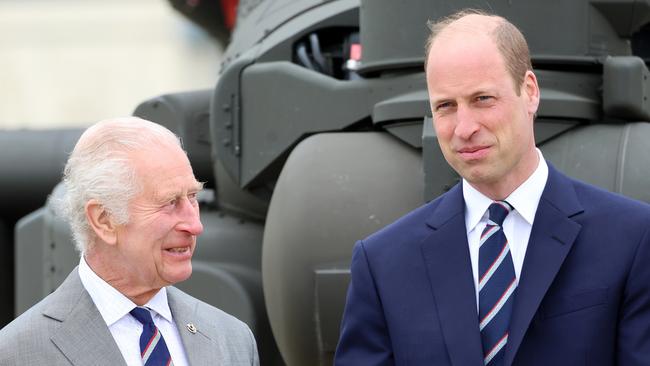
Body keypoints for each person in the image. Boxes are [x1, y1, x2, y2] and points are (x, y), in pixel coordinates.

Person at [335, 9, 650, 366]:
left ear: (529, 92)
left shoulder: (633, 239)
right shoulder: (382, 265)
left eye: (482, 99)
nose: (464, 127)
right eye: (446, 106)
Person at [0, 117, 259, 365]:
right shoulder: (17, 353)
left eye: (192, 197)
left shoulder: (232, 338)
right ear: (104, 219)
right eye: (170, 203)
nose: (195, 225)